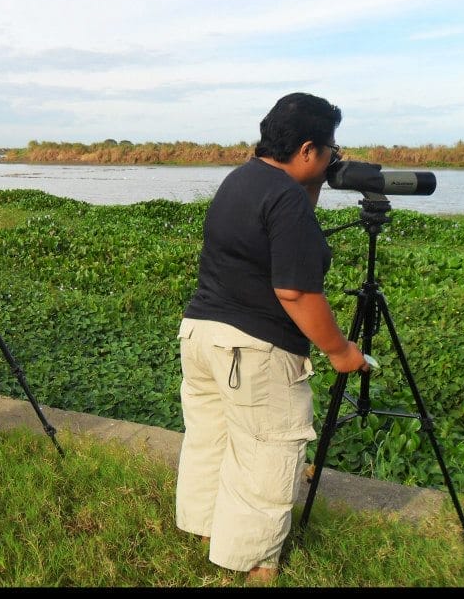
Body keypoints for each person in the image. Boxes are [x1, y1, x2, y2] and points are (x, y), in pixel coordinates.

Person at [175, 92, 369, 585]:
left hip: (201, 335)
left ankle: (205, 528)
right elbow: (295, 291)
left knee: (211, 440)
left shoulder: (243, 178)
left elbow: (284, 227)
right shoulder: (286, 200)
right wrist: (340, 351)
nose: (332, 159)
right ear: (308, 149)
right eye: (330, 150)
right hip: (254, 349)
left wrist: (316, 182)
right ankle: (255, 561)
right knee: (267, 452)